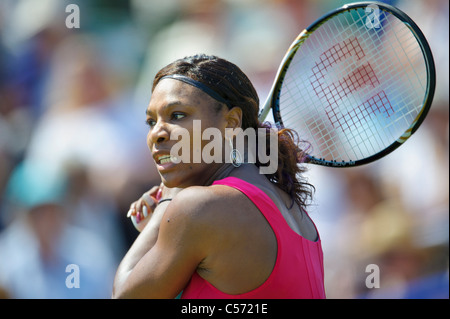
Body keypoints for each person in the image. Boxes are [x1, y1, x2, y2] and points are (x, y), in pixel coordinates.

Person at [112, 54, 326, 299]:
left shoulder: (198, 207)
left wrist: (167, 201)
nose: (156, 134)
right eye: (151, 121)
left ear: (231, 122)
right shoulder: (291, 207)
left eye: (178, 115)